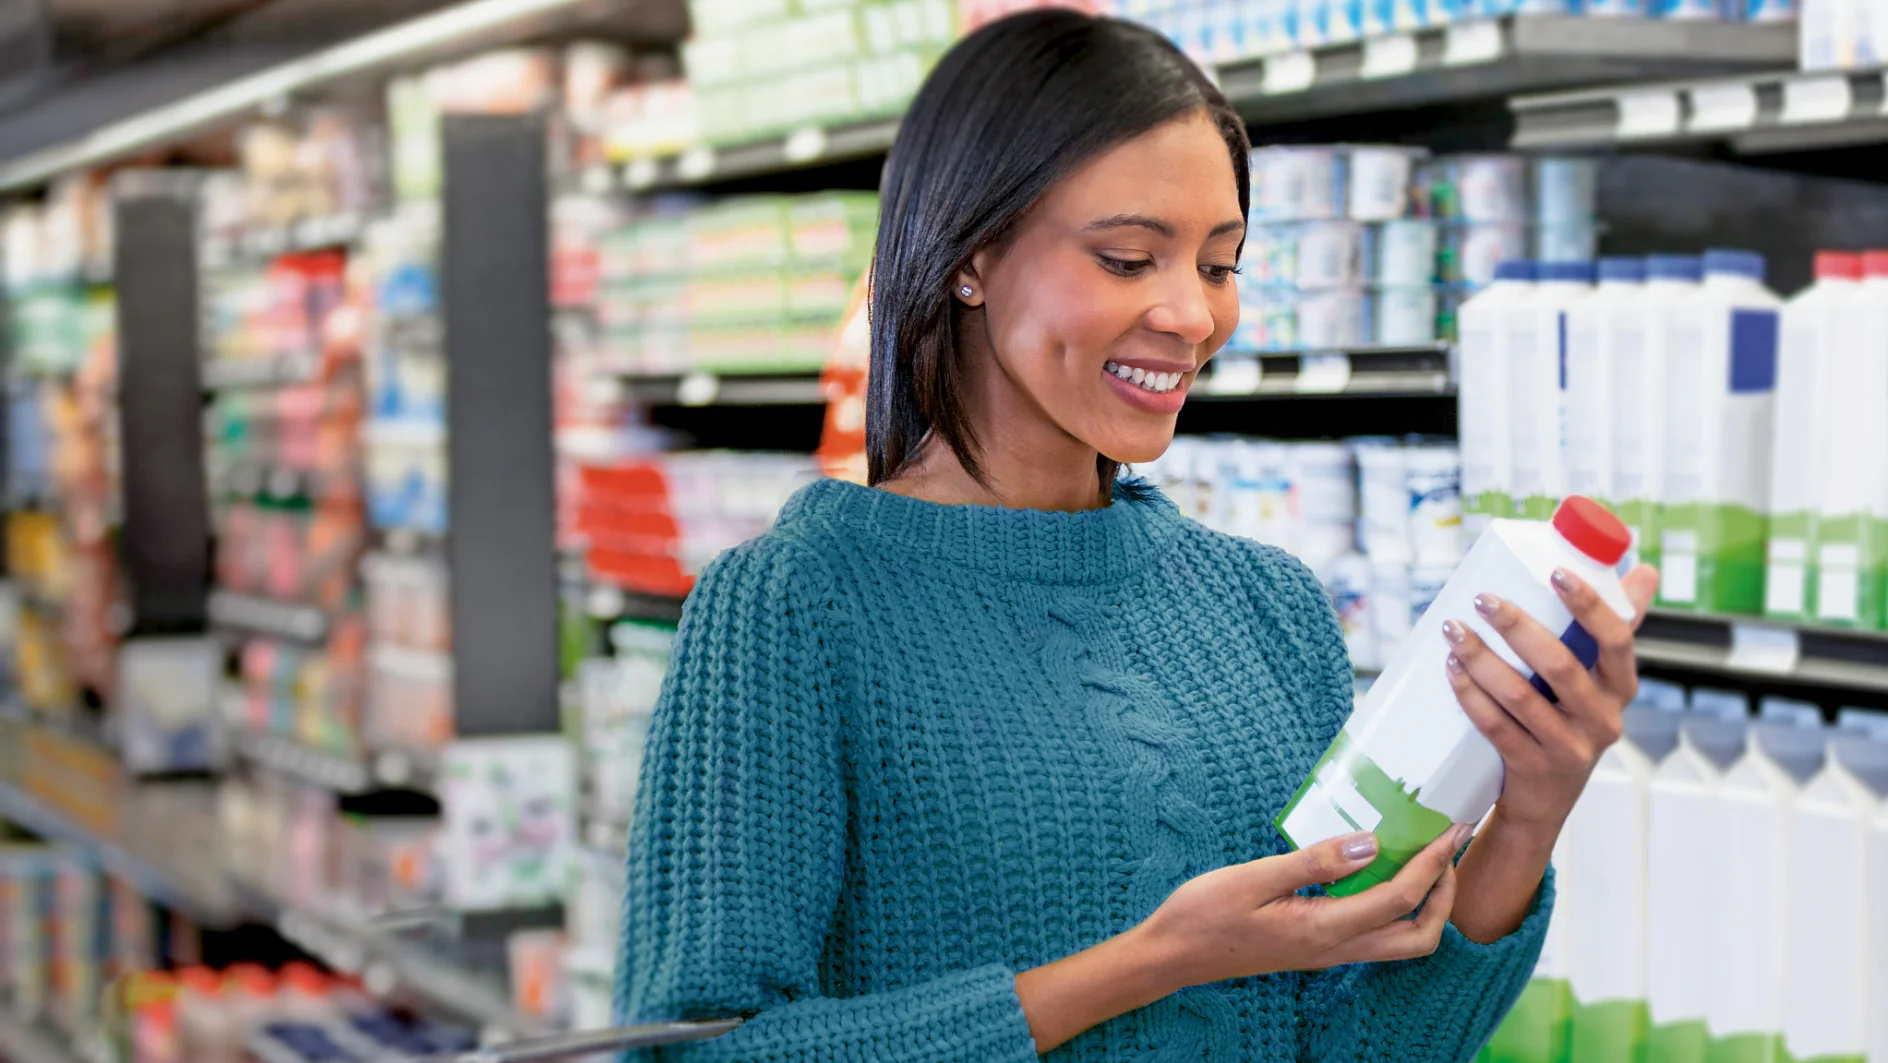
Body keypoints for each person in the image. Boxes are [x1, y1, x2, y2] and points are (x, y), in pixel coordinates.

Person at [613, 9, 1659, 1061]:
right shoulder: (792, 607)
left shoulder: (1266, 606)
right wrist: (1151, 963)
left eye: (1219, 263)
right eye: (1127, 258)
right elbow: (697, 1052)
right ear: (969, 255)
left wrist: (1524, 817)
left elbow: (1353, 1043)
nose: (1190, 316)